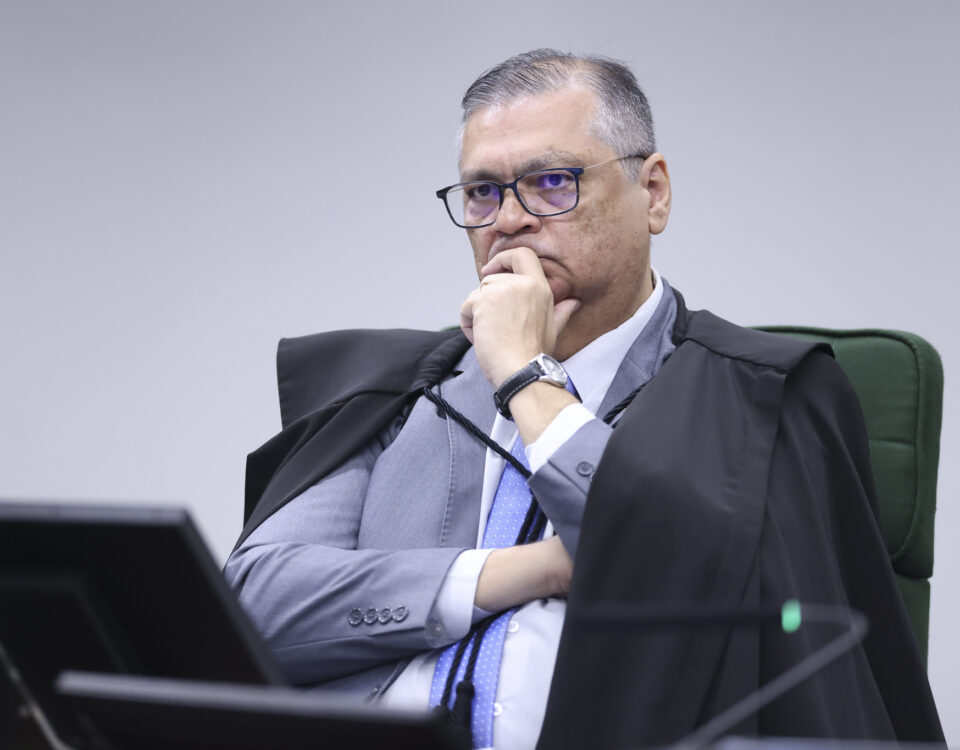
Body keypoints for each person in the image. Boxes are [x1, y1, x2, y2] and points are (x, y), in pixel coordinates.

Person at [224, 50, 942, 749]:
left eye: (552, 182)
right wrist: (525, 571)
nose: (509, 220)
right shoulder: (402, 392)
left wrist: (525, 378)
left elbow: (685, 581)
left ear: (652, 193)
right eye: (482, 192)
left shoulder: (760, 397)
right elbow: (249, 610)